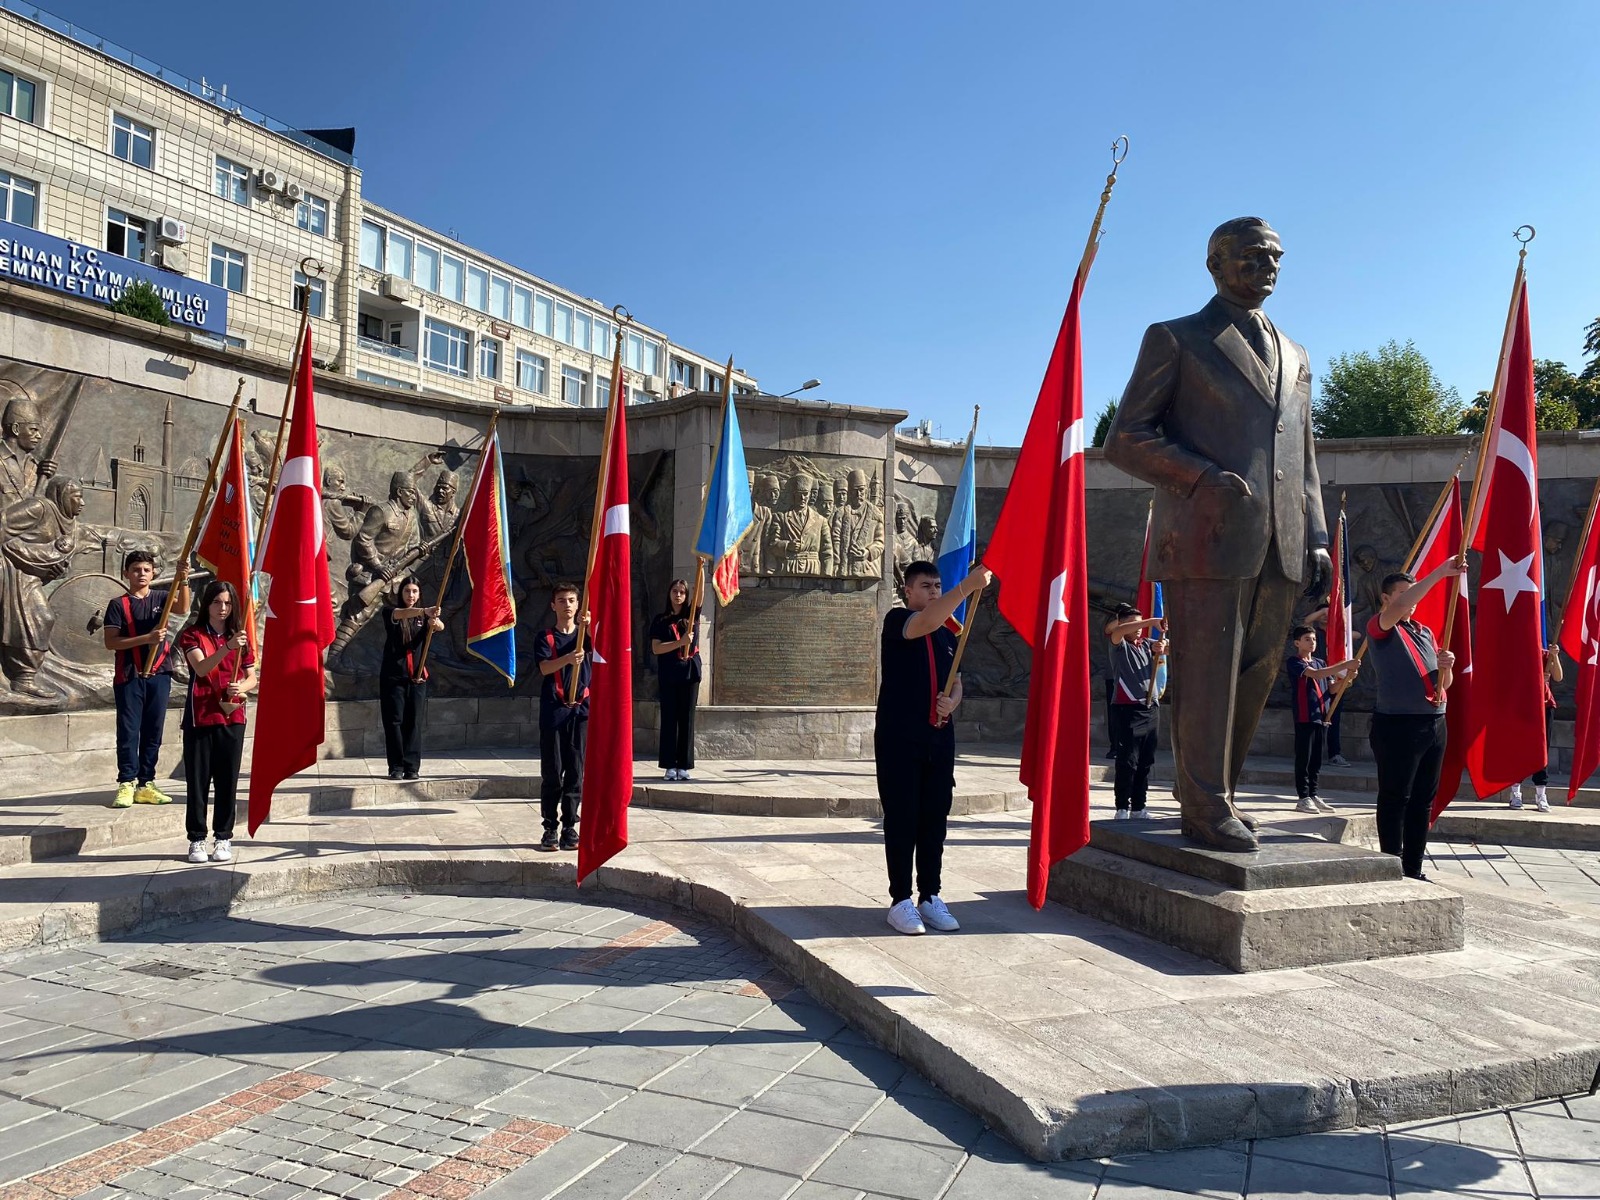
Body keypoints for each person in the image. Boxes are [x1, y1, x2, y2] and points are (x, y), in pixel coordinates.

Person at [1105, 217, 1331, 852]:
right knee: (1207, 672)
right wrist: (1200, 475)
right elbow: (1125, 439)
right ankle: (1203, 804)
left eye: (1276, 257)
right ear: (1216, 263)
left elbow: (1304, 455)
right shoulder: (1177, 338)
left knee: (1257, 670)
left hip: (1281, 540)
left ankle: (1218, 794)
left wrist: (1314, 533)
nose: (1268, 267)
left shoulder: (1297, 353)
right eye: (1253, 257)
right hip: (1205, 537)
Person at [876, 558, 990, 936]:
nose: (934, 592)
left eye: (938, 586)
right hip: (900, 739)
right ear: (908, 591)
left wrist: (954, 700)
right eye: (926, 586)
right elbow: (923, 622)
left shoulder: (948, 632)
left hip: (939, 739)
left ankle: (930, 895)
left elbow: (955, 679)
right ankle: (900, 899)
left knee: (934, 821)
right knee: (902, 819)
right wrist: (968, 586)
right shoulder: (898, 621)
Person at [1364, 560, 1462, 881]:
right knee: (1396, 797)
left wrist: (1446, 666)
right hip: (1398, 725)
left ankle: (1414, 868)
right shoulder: (1381, 627)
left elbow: (1441, 686)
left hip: (1434, 723)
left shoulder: (1426, 632)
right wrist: (1438, 574)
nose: (1411, 600)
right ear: (1386, 599)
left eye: (1412, 592)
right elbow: (1404, 605)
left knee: (1423, 801)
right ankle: (1391, 864)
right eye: (1403, 594)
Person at [103, 550, 190, 808]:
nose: (141, 574)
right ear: (126, 574)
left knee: (153, 730)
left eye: (146, 570)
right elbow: (111, 642)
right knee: (129, 731)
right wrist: (146, 639)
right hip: (129, 675)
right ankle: (127, 782)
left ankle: (146, 782)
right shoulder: (118, 604)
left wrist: (183, 579)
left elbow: (183, 607)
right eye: (136, 570)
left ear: (153, 574)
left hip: (159, 674)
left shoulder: (162, 598)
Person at [177, 580, 256, 863]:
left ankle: (223, 837)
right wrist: (226, 648)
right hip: (201, 716)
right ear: (207, 604)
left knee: (227, 781)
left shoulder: (242, 638)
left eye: (227, 603)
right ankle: (196, 839)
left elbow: (252, 676)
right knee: (197, 782)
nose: (222, 608)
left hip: (232, 716)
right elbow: (200, 668)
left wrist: (242, 688)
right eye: (216, 602)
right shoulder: (193, 635)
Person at [535, 581, 590, 852]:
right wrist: (568, 658)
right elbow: (545, 668)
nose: (566, 605)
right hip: (554, 712)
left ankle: (570, 825)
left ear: (578, 604)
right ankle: (549, 827)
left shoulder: (586, 637)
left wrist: (591, 627)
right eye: (561, 600)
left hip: (579, 712)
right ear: (553, 605)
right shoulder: (545, 637)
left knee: (576, 772)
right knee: (553, 772)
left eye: (571, 600)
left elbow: (608, 649)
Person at [1286, 624, 1358, 815]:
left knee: (1316, 758)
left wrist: (1346, 681)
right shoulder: (1295, 662)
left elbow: (1331, 688)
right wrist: (1344, 664)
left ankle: (1314, 794)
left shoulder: (1320, 662)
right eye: (1307, 639)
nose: (1312, 642)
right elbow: (1315, 675)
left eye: (1314, 639)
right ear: (1297, 643)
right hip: (1305, 715)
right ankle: (1303, 797)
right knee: (1304, 756)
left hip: (1321, 715)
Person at [1105, 602, 1167, 820]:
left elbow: (1169, 649)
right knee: (1127, 760)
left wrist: (1163, 646)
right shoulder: (1119, 645)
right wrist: (1152, 621)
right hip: (1126, 710)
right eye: (1133, 624)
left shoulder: (1146, 644)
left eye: (1140, 624)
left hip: (1150, 708)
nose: (1139, 628)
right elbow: (1117, 631)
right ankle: (1122, 805)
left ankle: (1139, 807)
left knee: (1145, 761)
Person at [380, 576, 442, 781]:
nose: (411, 595)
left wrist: (434, 621)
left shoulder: (423, 617)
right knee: (394, 721)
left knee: (413, 722)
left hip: (417, 677)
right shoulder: (391, 612)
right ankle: (396, 766)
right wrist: (424, 611)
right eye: (407, 591)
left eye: (415, 591)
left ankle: (411, 766)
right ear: (401, 593)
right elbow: (402, 613)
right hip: (394, 676)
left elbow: (440, 626)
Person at [650, 578, 701, 781]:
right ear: (669, 594)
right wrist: (679, 642)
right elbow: (656, 648)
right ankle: (670, 765)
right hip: (670, 672)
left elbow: (700, 594)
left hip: (690, 671)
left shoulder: (692, 615)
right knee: (670, 718)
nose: (678, 595)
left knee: (687, 718)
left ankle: (684, 765)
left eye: (682, 592)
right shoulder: (661, 620)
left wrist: (701, 563)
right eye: (674, 591)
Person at [1508, 645, 1563, 813]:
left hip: (1544, 705)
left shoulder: (1544, 654)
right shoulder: (1515, 654)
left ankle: (1541, 794)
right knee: (1520, 749)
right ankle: (1515, 792)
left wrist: (1555, 656)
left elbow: (1558, 677)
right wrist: (1536, 677)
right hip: (1522, 705)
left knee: (1542, 750)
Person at [1304, 602, 1351, 766]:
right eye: (1322, 615)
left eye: (1328, 614)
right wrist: (1324, 611)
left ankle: (1334, 753)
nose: (1325, 617)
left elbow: (1357, 635)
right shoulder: (1312, 634)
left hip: (1335, 680)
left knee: (1334, 718)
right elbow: (1305, 622)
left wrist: (1338, 621)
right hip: (1316, 679)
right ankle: (1309, 753)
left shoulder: (1337, 634)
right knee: (1313, 717)